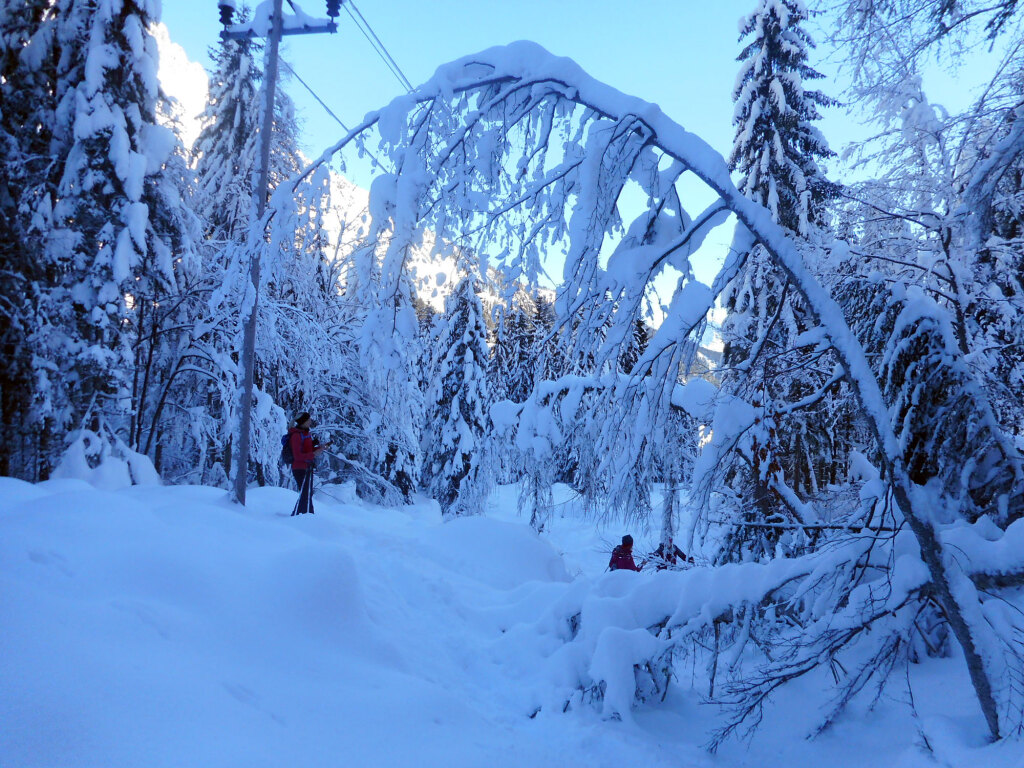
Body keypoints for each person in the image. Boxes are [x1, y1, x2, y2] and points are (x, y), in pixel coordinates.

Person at [289, 412, 327, 516]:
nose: (310, 421)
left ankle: (307, 515)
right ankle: (300, 516)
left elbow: (307, 450)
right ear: (303, 422)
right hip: (299, 468)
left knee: (307, 493)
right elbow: (297, 456)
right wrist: (313, 454)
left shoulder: (305, 433)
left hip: (307, 467)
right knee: (305, 494)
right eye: (308, 419)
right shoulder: (296, 435)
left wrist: (319, 449)